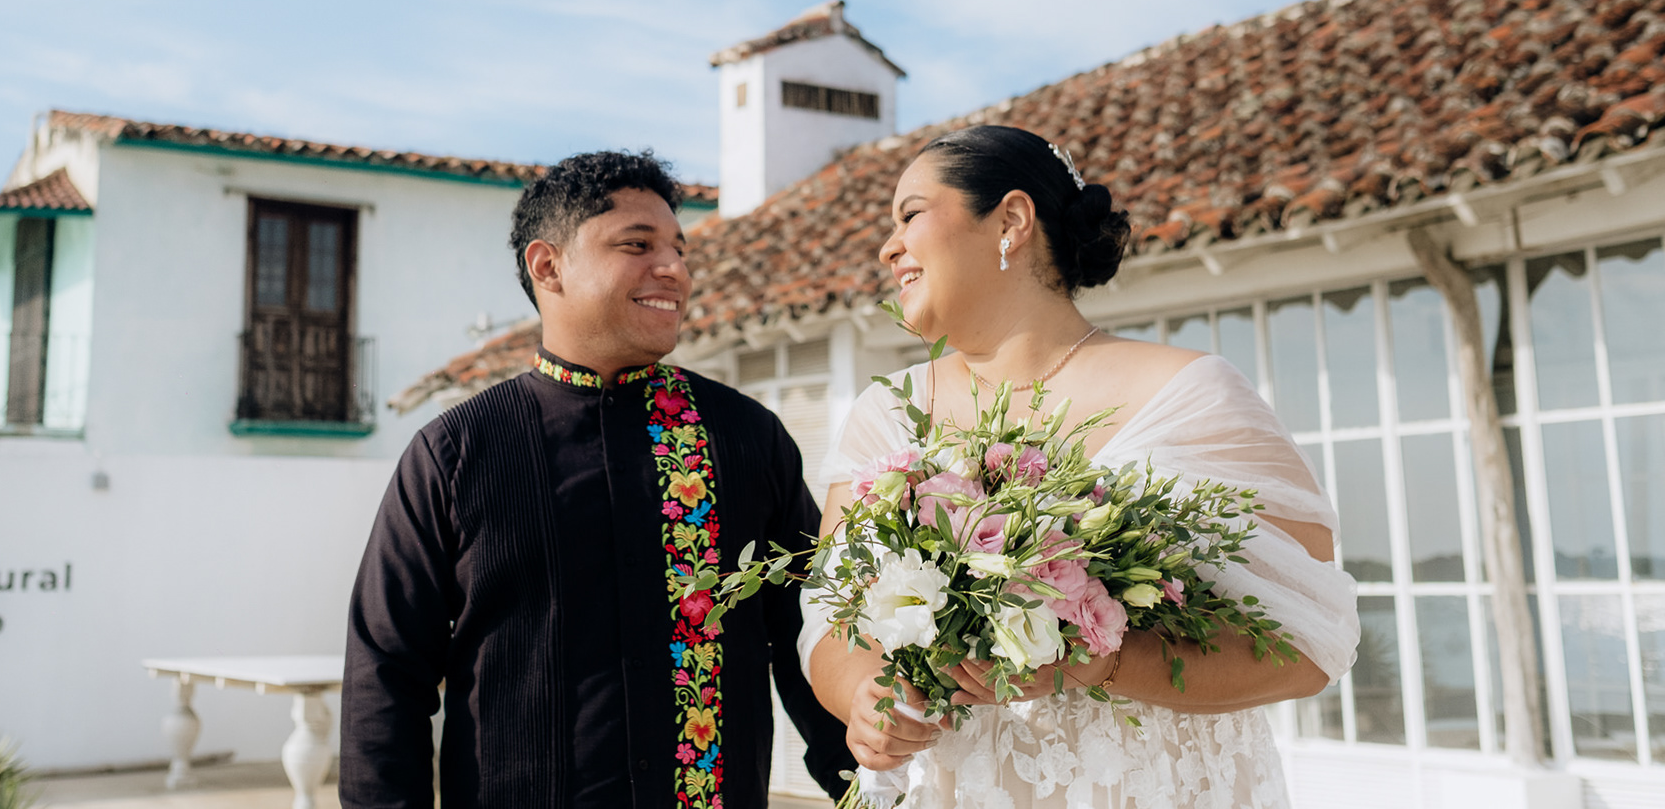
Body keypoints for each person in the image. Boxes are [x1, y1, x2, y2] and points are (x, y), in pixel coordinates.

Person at [803, 125, 1359, 808]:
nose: (888, 247)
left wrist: (1107, 663)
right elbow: (829, 622)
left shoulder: (1192, 396)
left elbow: (1308, 648)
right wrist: (865, 698)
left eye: (909, 214)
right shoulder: (886, 416)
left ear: (1010, 220)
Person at [342, 150, 854, 809]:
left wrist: (870, 787)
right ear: (547, 266)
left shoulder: (747, 439)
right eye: (637, 245)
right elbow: (386, 673)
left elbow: (816, 629)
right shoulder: (455, 454)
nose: (673, 268)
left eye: (678, 249)